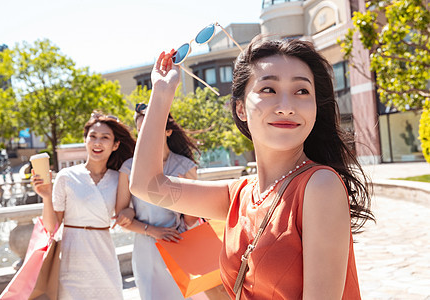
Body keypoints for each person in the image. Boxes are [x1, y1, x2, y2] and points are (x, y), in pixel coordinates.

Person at [129, 37, 375, 299]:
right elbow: (147, 185)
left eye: (302, 91)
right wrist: (162, 92)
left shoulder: (319, 186)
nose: (286, 107)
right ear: (240, 108)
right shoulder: (241, 195)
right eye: (268, 89)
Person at [32, 112, 136, 300]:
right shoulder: (66, 176)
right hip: (72, 261)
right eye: (93, 136)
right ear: (85, 140)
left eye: (105, 138)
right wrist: (46, 197)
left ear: (115, 145)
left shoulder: (118, 178)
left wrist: (129, 210)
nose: (97, 142)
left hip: (104, 258)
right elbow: (51, 227)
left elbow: (123, 216)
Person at [113, 103, 202, 300]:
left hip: (179, 244)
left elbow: (191, 220)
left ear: (168, 131)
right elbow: (121, 219)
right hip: (146, 251)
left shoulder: (186, 166)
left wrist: (185, 193)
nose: (147, 135)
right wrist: (152, 231)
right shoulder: (129, 168)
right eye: (141, 130)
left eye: (153, 127)